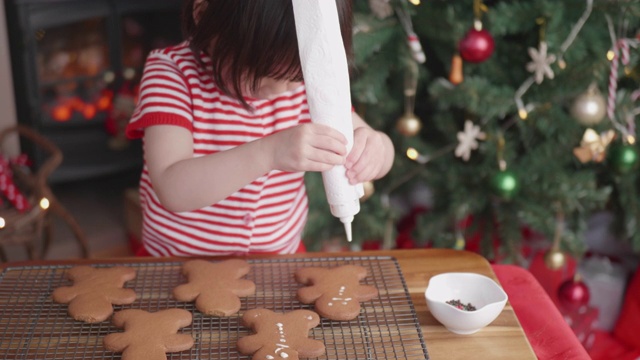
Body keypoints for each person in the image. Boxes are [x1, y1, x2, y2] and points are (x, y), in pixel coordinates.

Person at [126, 0, 395, 257]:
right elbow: (172, 189)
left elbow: (369, 142)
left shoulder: (307, 83)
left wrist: (376, 148)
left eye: (294, 78)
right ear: (203, 16)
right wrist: (268, 153)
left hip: (278, 258)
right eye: (257, 76)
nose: (278, 92)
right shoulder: (171, 74)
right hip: (177, 263)